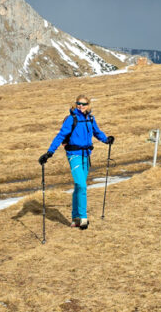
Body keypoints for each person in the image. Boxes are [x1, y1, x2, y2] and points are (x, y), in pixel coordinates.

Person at [38, 95, 114, 230]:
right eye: (79, 103)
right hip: (74, 155)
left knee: (79, 187)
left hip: (86, 155)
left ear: (88, 105)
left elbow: (97, 132)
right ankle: (83, 218)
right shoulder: (71, 119)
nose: (81, 106)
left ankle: (75, 218)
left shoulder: (91, 118)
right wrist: (49, 153)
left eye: (84, 104)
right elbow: (60, 135)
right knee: (82, 185)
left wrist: (106, 139)